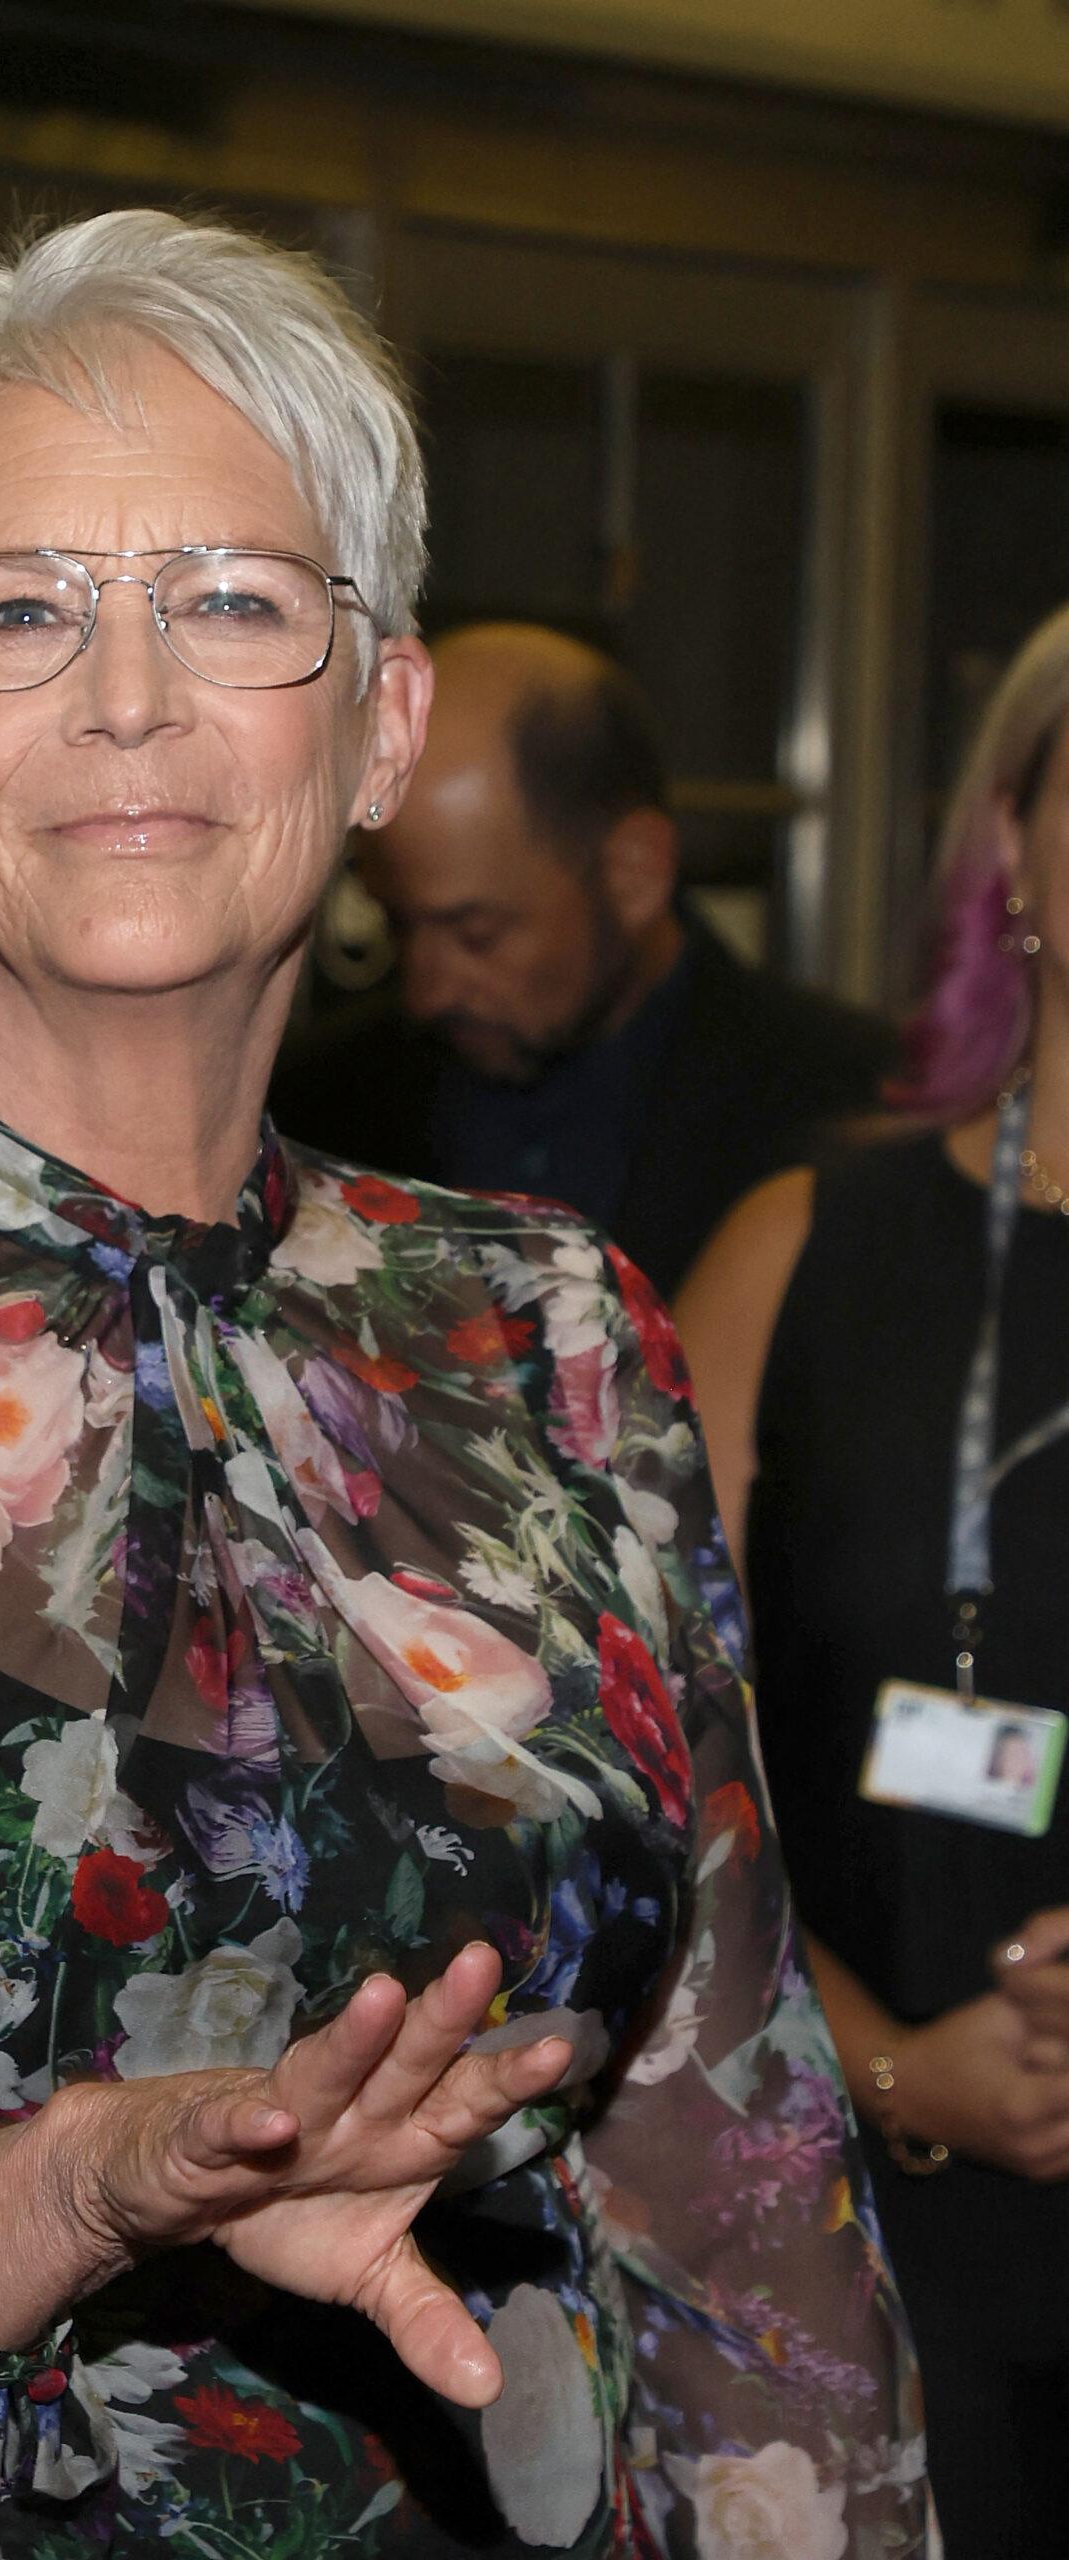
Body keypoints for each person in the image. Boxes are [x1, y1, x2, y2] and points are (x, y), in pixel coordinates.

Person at [0, 210, 928, 2558]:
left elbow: (738, 2191)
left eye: (229, 600)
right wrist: (70, 2184)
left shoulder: (549, 1329)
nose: (126, 695)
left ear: (379, 725)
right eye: (19, 610)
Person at [677, 600, 1069, 2557]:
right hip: (865, 2256)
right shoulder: (801, 1250)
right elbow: (642, 1778)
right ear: (1009, 843)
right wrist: (901, 2059)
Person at [271, 626, 895, 1296]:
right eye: (397, 923)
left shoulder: (854, 1114)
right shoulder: (308, 1107)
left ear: (632, 873)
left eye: (477, 933)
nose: (426, 989)